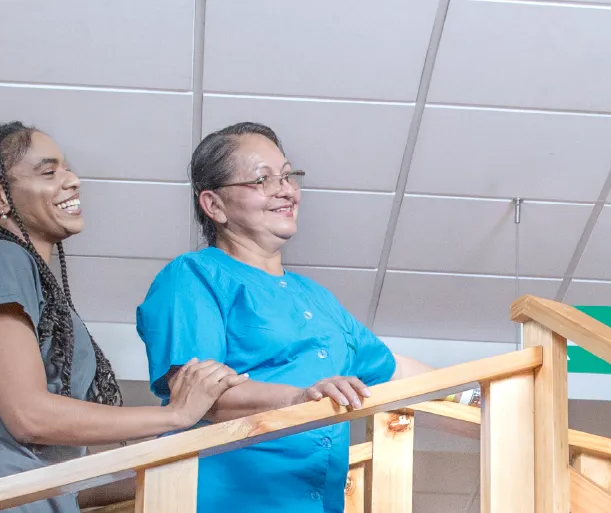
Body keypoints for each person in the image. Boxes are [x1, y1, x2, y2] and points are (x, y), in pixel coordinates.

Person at [0, 122, 247, 512]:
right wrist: (177, 415)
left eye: (68, 169)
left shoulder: (40, 292)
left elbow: (60, 477)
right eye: (49, 171)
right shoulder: (0, 259)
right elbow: (29, 415)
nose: (73, 180)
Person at [136, 122, 433, 513]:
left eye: (289, 175)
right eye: (262, 179)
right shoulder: (194, 275)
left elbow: (392, 371)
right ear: (215, 205)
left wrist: (486, 394)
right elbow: (198, 395)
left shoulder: (316, 297)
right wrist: (301, 398)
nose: (286, 189)